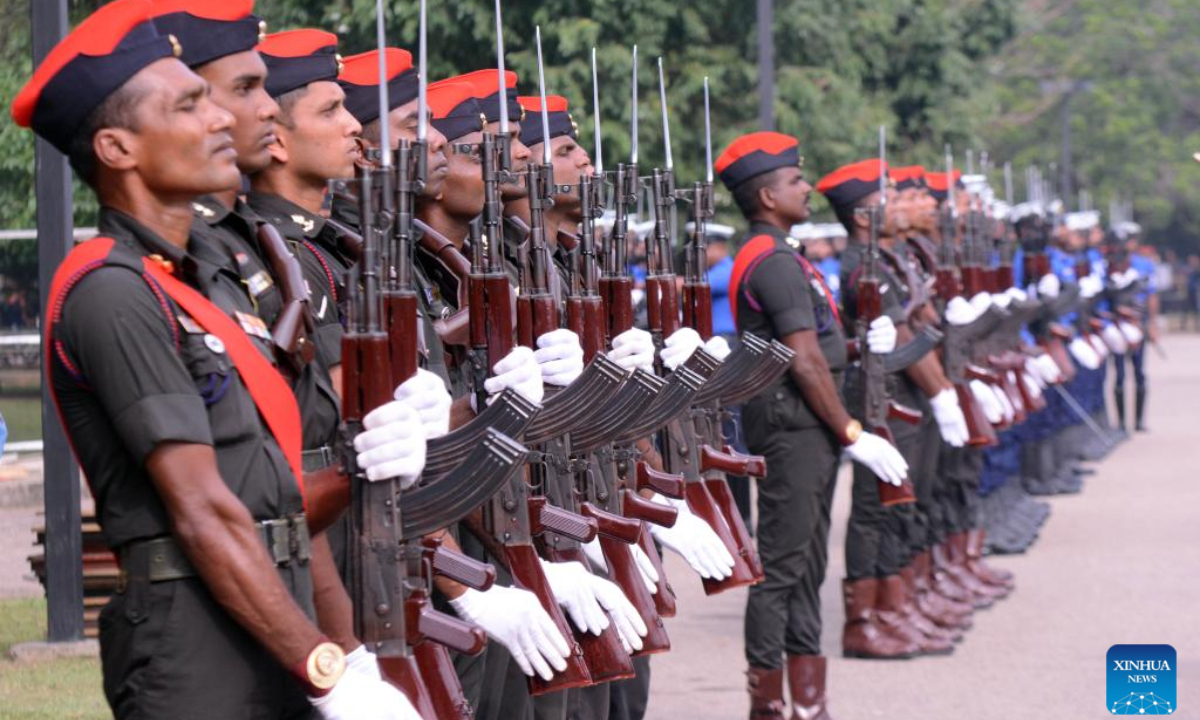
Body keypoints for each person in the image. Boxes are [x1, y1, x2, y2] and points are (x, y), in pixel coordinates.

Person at [12, 2, 424, 717]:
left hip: (272, 608)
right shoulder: (112, 292)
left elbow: (279, 494)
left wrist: (367, 459)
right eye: (190, 104)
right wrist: (328, 670)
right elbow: (203, 510)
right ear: (116, 149)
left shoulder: (198, 284)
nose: (218, 121)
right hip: (195, 644)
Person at [716, 131, 907, 720]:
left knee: (806, 566)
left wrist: (855, 339)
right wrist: (852, 431)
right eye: (795, 180)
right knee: (781, 568)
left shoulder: (783, 254)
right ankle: (770, 707)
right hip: (794, 425)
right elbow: (802, 357)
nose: (806, 187)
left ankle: (809, 702)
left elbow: (819, 343)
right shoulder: (772, 261)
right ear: (768, 197)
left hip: (805, 427)